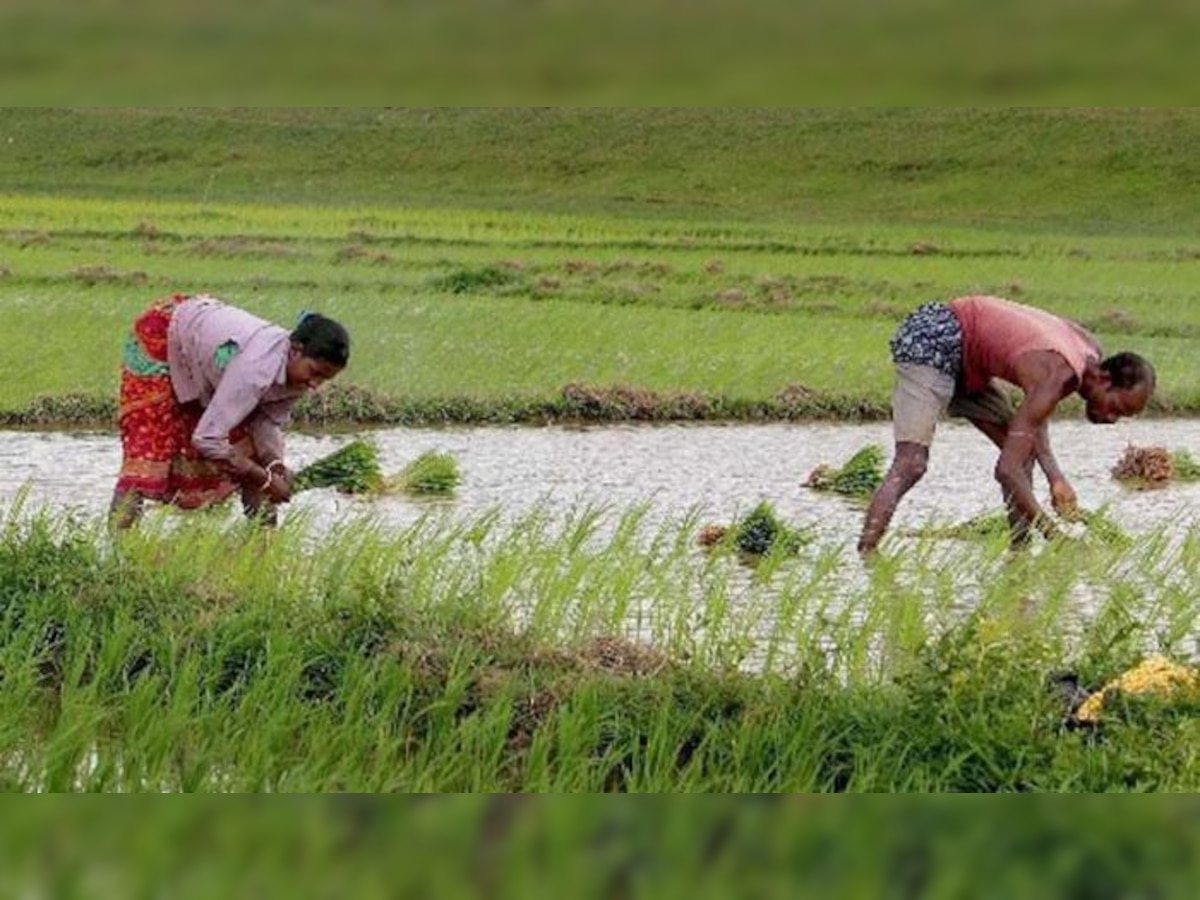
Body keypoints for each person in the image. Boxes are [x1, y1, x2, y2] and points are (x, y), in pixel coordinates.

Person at [858, 295, 1155, 554]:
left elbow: (1034, 418)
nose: (1110, 419)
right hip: (934, 337)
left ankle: (1018, 552)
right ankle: (867, 553)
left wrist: (1056, 478)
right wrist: (1055, 535)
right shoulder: (1056, 375)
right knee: (912, 462)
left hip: (969, 359)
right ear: (1104, 379)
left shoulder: (1087, 352)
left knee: (1023, 454)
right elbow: (1005, 470)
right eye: (1115, 408)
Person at [110, 294, 349, 528]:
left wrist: (274, 465)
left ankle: (263, 547)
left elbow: (265, 421)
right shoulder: (254, 371)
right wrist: (264, 478)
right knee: (147, 452)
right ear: (295, 350)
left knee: (250, 451)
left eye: (325, 379)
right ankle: (117, 550)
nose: (316, 385)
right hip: (165, 336)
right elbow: (207, 439)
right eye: (315, 372)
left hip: (209, 357)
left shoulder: (296, 375)